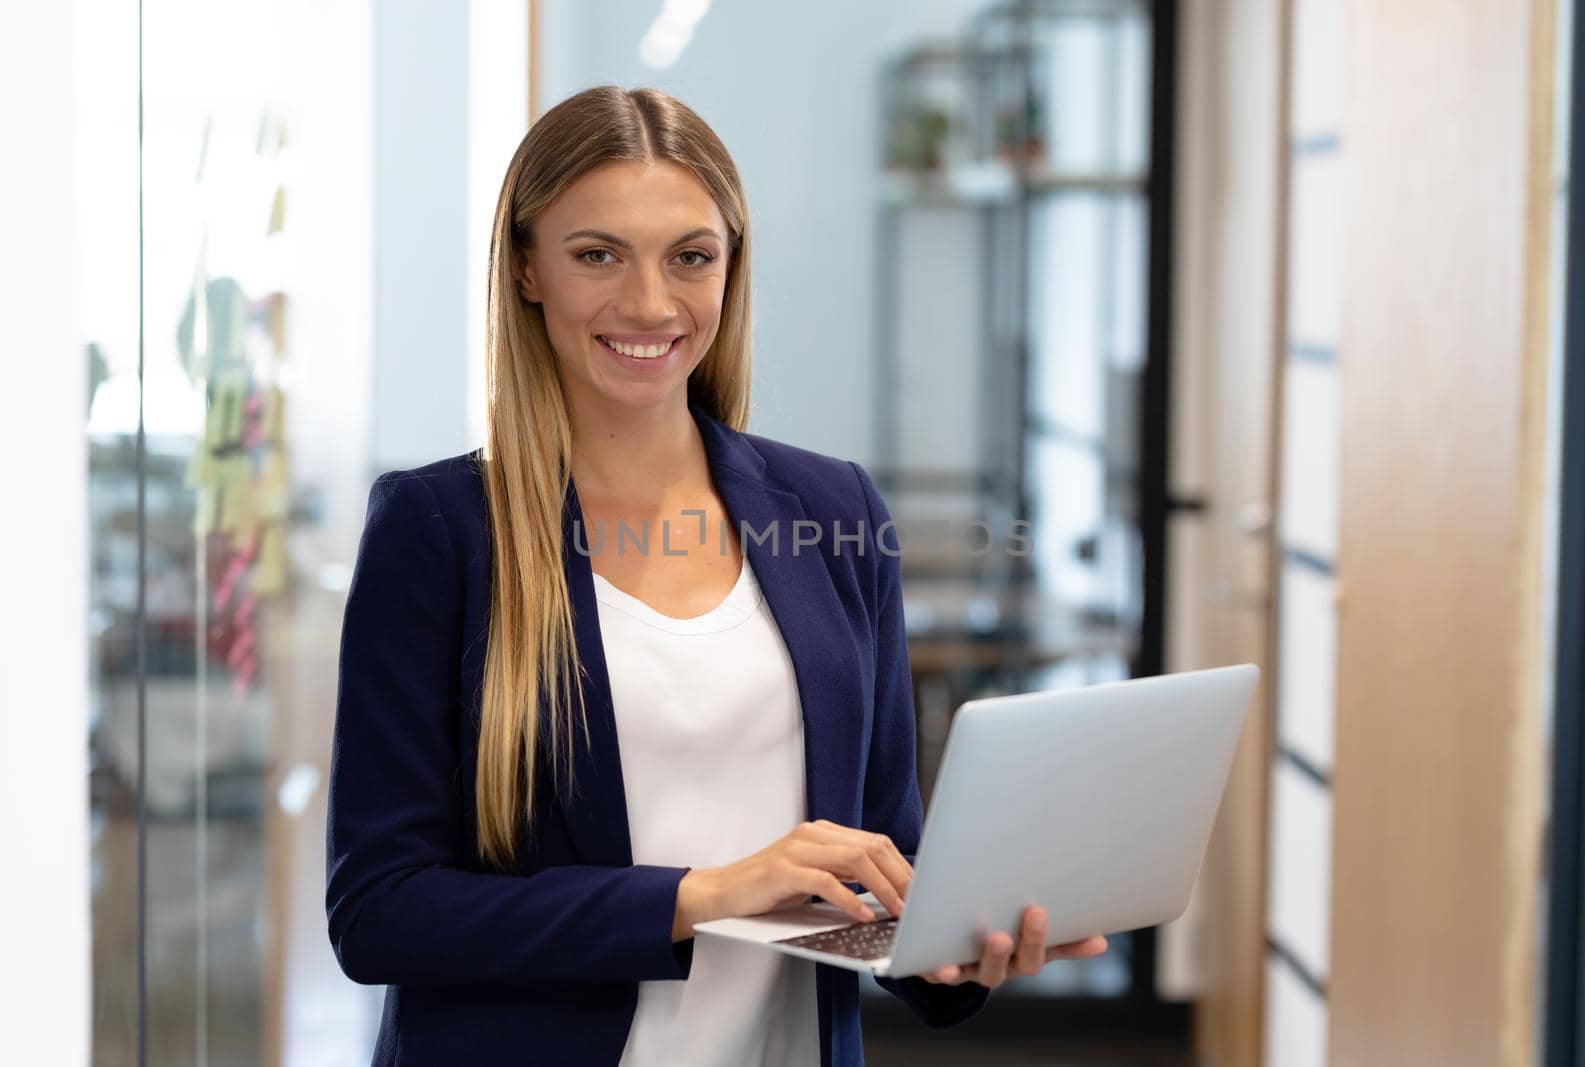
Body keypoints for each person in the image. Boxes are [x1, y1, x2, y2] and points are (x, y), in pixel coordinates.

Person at [324, 84, 1107, 1067]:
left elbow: (881, 861)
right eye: (597, 254)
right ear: (527, 267)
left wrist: (957, 945)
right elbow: (379, 908)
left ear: (731, 269)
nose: (650, 303)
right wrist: (700, 893)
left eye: (689, 257)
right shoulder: (439, 531)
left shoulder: (834, 512)